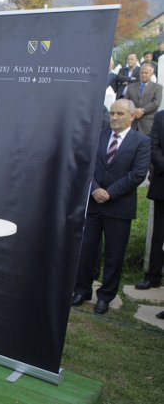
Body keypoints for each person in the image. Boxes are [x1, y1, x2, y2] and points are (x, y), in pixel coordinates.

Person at [72, 99, 150, 314]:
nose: (114, 117)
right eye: (113, 113)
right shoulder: (99, 136)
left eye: (120, 114)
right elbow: (85, 165)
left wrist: (110, 192)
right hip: (93, 204)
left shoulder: (141, 141)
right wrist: (95, 189)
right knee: (86, 250)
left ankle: (106, 296)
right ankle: (82, 290)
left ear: (132, 116)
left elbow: (138, 174)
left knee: (114, 255)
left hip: (119, 207)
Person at [135, 108, 164, 291]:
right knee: (159, 235)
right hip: (163, 184)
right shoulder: (161, 117)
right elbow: (153, 146)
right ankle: (152, 276)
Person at [125, 62, 162, 136]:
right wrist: (133, 110)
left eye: (146, 73)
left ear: (151, 74)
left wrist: (140, 111)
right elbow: (126, 101)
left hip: (148, 124)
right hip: (132, 123)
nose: (143, 75)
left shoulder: (157, 87)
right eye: (142, 73)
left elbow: (156, 103)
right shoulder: (131, 86)